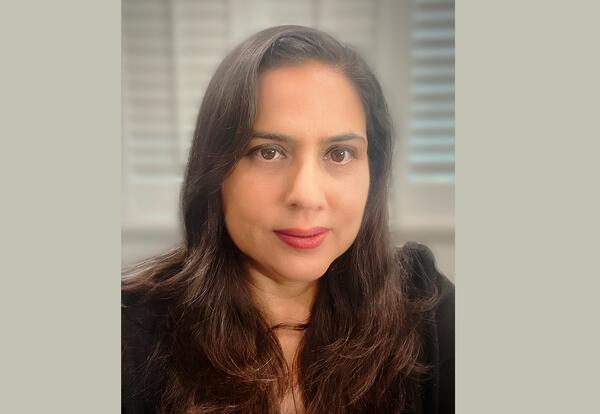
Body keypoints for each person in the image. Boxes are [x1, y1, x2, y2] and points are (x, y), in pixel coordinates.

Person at [122, 25, 454, 414]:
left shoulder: (425, 305)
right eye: (268, 152)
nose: (306, 196)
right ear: (215, 170)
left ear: (373, 171)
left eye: (340, 153)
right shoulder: (128, 338)